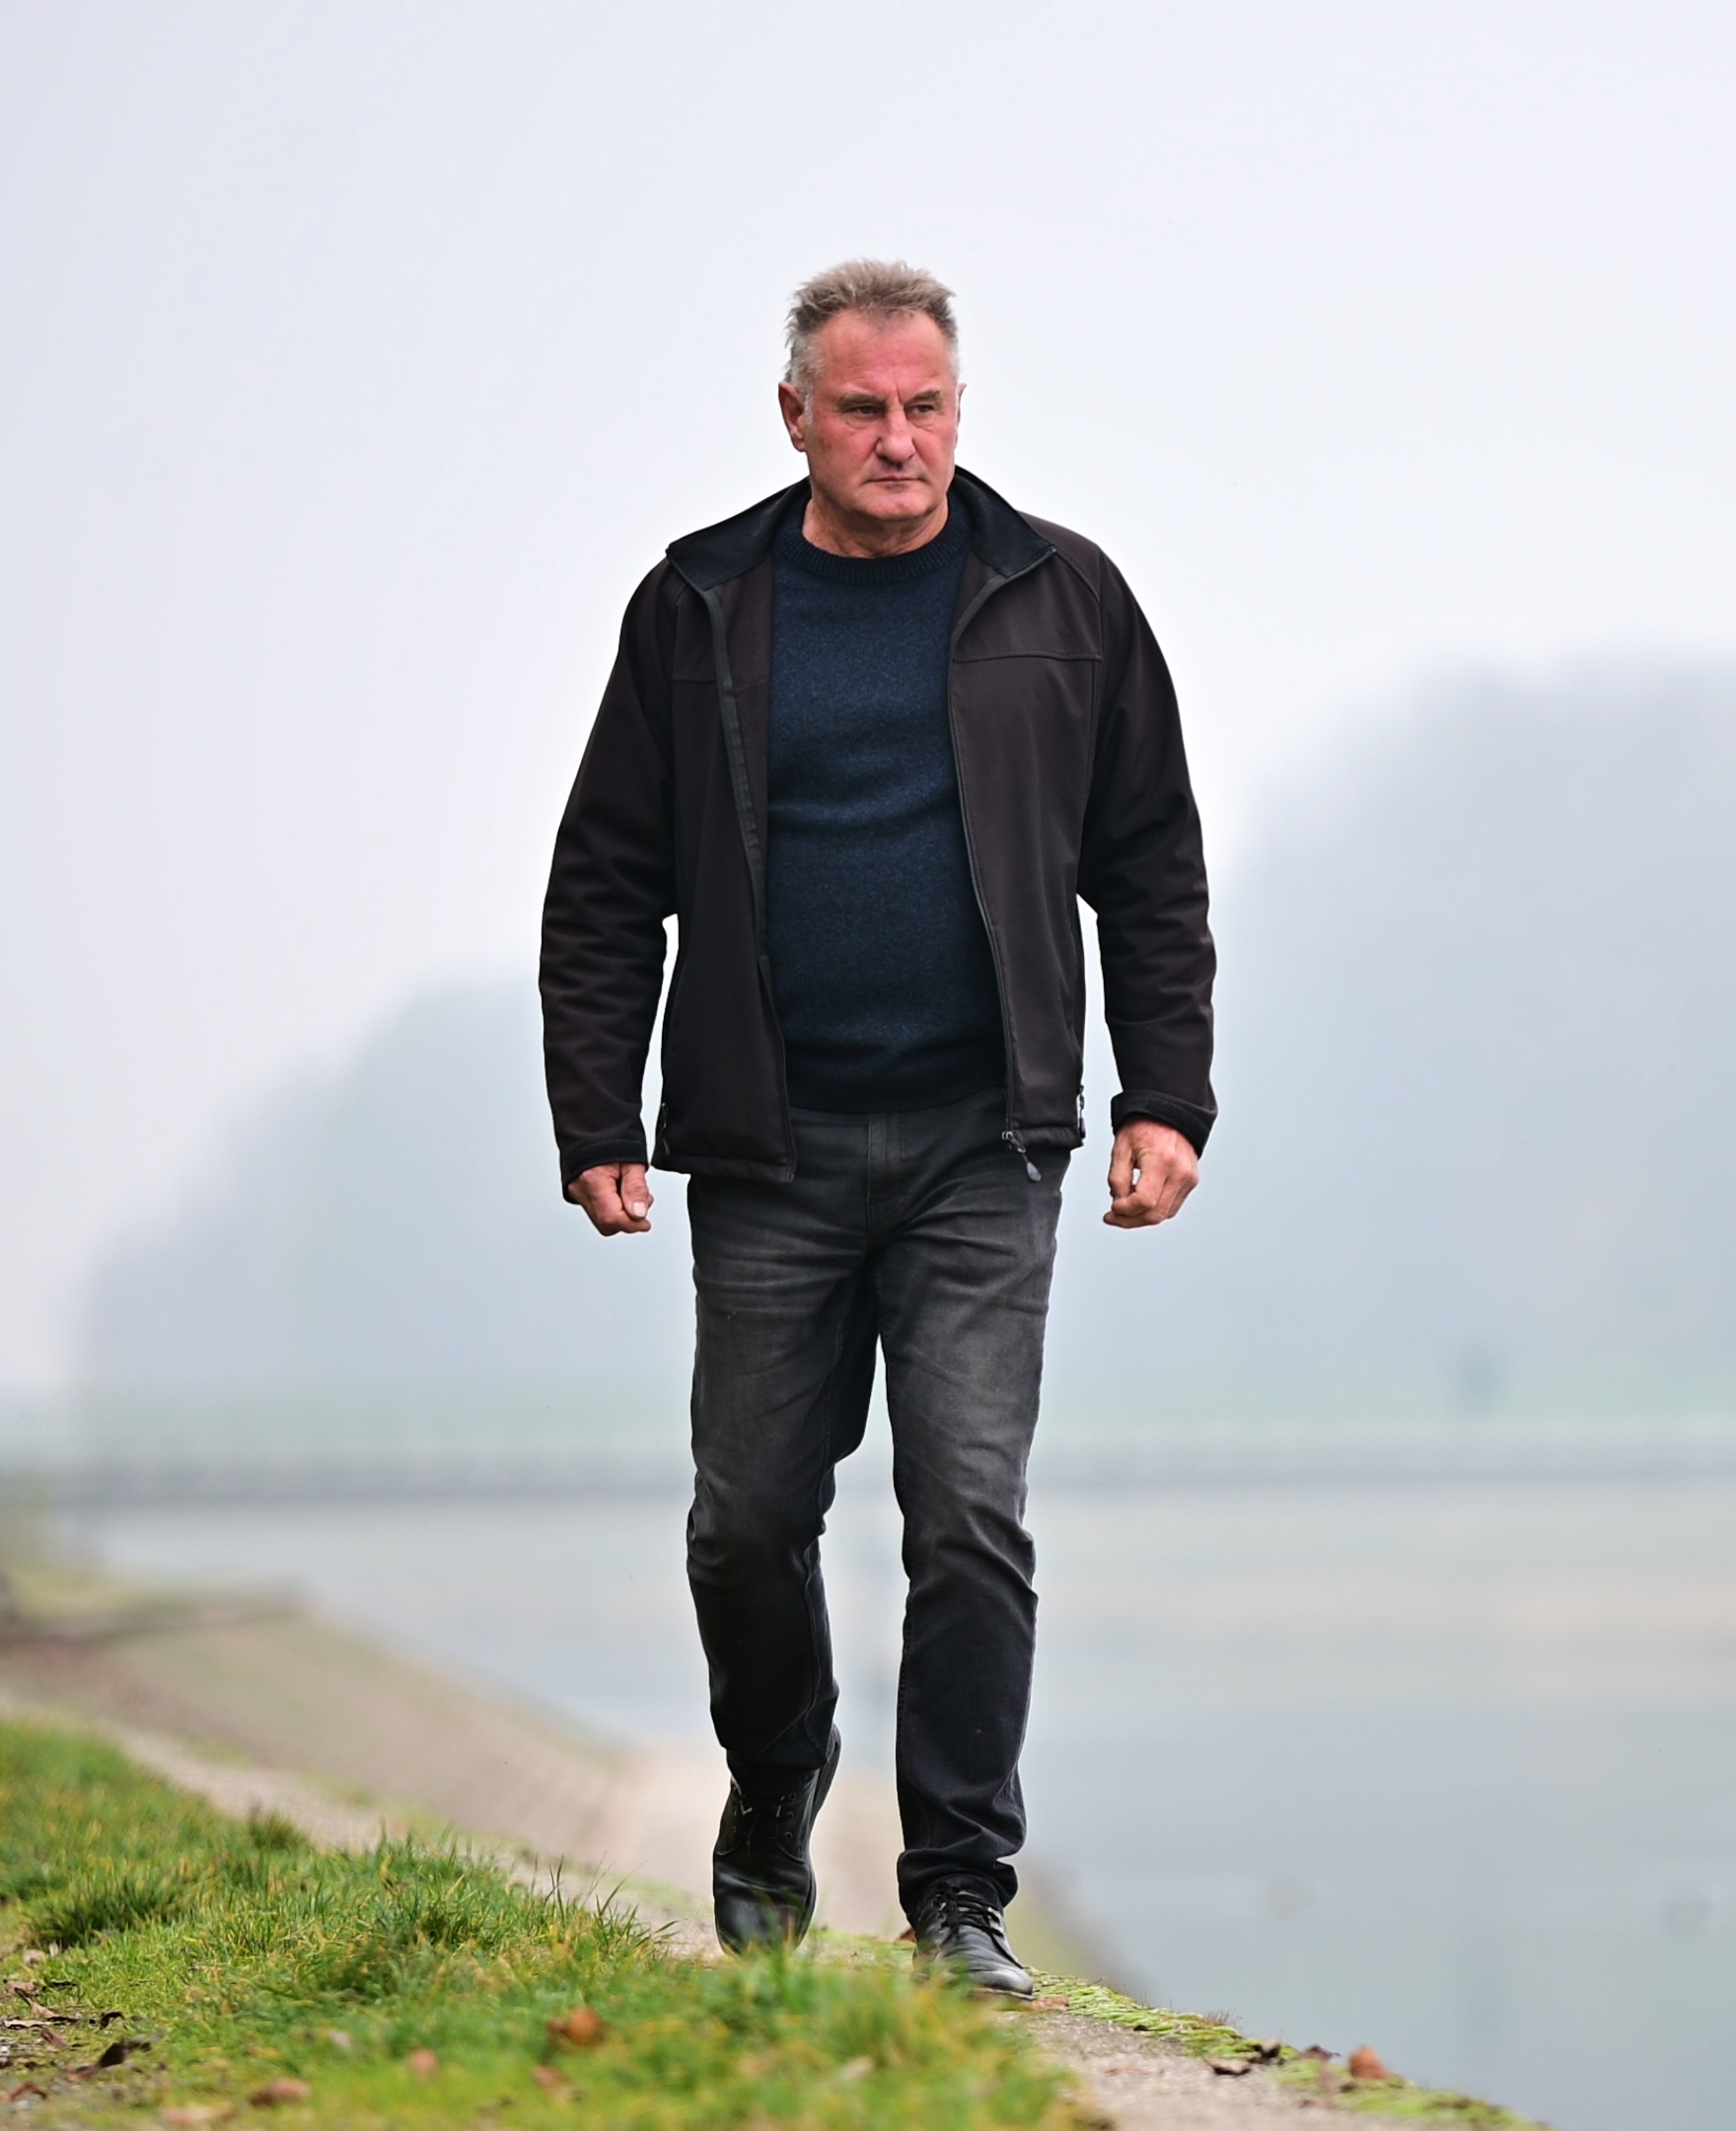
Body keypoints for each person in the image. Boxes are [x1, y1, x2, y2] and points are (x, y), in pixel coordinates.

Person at [538, 258, 1214, 1992]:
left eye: (926, 407)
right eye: (862, 410)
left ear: (961, 410)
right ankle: (777, 1785)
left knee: (968, 1514)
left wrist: (1164, 1097)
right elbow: (607, 877)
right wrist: (595, 1109)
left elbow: (1150, 864)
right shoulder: (700, 606)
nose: (899, 439)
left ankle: (958, 1899)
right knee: (748, 1521)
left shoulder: (1065, 598)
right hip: (768, 1150)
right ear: (796, 418)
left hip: (988, 1143)